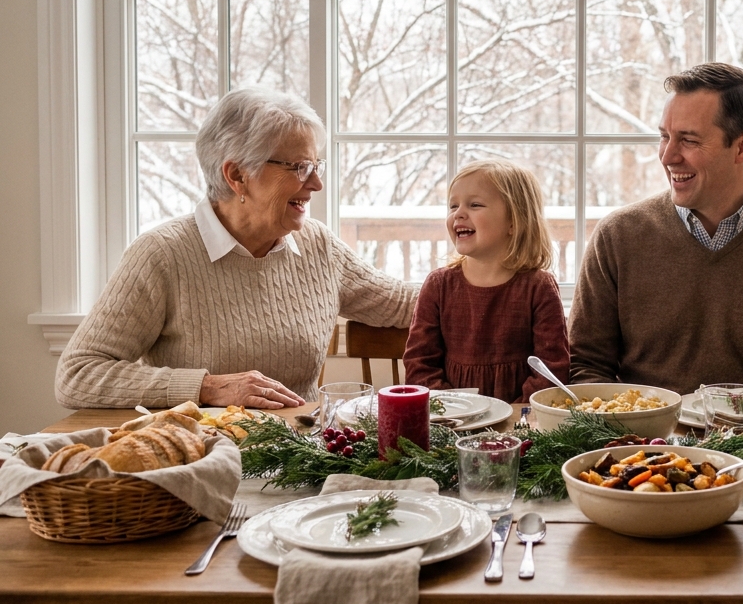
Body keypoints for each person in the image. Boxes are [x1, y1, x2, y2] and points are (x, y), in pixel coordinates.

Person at [55, 88, 418, 410]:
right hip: (203, 458)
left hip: (302, 455)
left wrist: (474, 260)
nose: (317, 183)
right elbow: (78, 374)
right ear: (237, 175)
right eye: (300, 167)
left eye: (316, 165)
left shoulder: (318, 246)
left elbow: (403, 302)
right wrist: (208, 387)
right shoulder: (162, 255)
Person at [568, 63, 743, 398]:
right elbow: (585, 369)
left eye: (688, 140)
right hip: (644, 447)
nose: (668, 156)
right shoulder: (617, 237)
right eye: (664, 136)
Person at [403, 160, 570, 402]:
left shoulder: (539, 287)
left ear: (514, 222)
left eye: (475, 205)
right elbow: (419, 365)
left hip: (520, 426)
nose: (458, 213)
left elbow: (551, 370)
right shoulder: (438, 285)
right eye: (453, 206)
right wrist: (455, 408)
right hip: (453, 421)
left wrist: (516, 417)